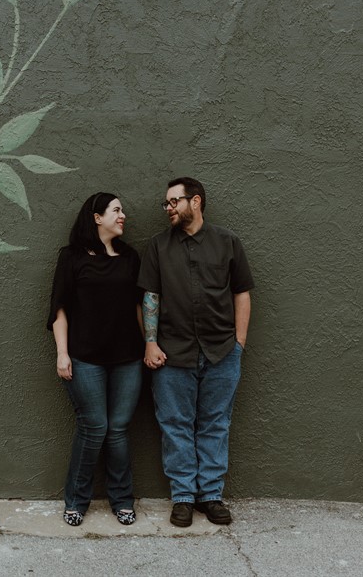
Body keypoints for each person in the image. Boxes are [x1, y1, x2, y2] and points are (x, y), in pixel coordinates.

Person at [138, 177, 254, 527]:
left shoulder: (227, 242)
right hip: (172, 353)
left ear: (196, 201)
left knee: (215, 424)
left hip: (221, 351)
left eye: (174, 201)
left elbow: (242, 293)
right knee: (175, 425)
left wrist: (239, 344)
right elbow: (149, 298)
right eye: (167, 203)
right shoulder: (158, 247)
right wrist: (151, 341)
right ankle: (184, 496)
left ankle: (211, 495)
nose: (168, 208)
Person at [47, 192, 145, 527]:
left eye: (123, 211)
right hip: (85, 358)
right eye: (117, 210)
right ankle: (76, 500)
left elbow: (139, 306)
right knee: (95, 427)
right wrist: (62, 353)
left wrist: (149, 343)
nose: (123, 216)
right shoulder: (72, 257)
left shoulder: (131, 257)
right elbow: (58, 309)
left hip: (128, 358)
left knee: (117, 429)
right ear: (96, 217)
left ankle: (122, 500)